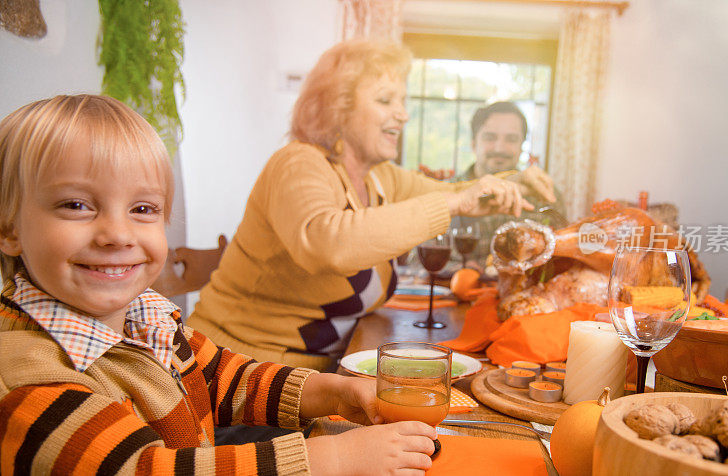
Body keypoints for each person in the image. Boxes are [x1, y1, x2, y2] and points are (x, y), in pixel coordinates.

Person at [0, 94, 438, 475]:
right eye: (76, 205)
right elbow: (141, 469)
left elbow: (219, 377)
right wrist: (332, 460)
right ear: (8, 229)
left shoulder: (142, 315)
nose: (118, 233)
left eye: (143, 209)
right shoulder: (27, 378)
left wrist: (333, 392)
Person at [188, 39, 556, 370]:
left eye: (402, 100)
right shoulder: (297, 163)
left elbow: (455, 189)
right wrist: (453, 202)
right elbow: (329, 243)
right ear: (338, 108)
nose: (404, 114)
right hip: (234, 377)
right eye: (385, 100)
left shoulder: (381, 177)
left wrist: (516, 180)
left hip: (308, 375)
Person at [451, 101, 568, 268]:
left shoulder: (546, 195)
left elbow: (563, 259)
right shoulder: (447, 196)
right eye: (490, 137)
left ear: (521, 147)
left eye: (511, 139)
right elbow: (417, 263)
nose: (500, 148)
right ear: (473, 143)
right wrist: (461, 270)